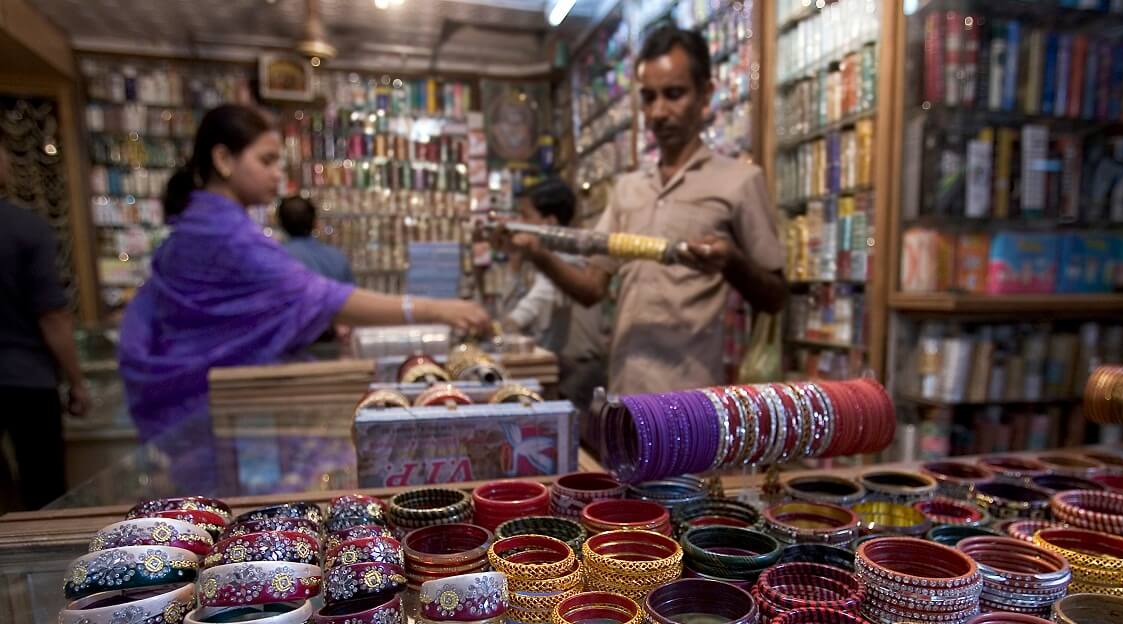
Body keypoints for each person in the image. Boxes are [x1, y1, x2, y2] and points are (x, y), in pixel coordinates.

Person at [119, 105, 490, 439]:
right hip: (207, 412)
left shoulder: (198, 226)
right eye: (267, 161)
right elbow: (323, 297)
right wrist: (437, 309)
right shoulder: (225, 236)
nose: (277, 174)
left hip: (200, 405)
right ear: (224, 159)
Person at [500, 25, 786, 396]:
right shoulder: (627, 189)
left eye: (674, 94)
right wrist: (536, 253)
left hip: (693, 398)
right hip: (625, 390)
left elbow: (775, 297)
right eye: (648, 98)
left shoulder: (739, 182)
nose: (659, 112)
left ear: (706, 95)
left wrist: (732, 263)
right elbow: (591, 289)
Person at [0, 139, 90, 509]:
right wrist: (76, 381)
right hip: (27, 379)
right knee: (45, 493)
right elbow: (52, 315)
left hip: (26, 373)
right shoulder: (24, 228)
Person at [500, 177, 608, 410]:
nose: (519, 223)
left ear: (549, 222)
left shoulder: (568, 264)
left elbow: (515, 318)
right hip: (567, 370)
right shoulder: (551, 264)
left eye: (526, 216)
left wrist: (515, 263)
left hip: (578, 375)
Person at [278, 195, 355, 285]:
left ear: (281, 223)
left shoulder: (278, 258)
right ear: (315, 222)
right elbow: (351, 294)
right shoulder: (337, 257)